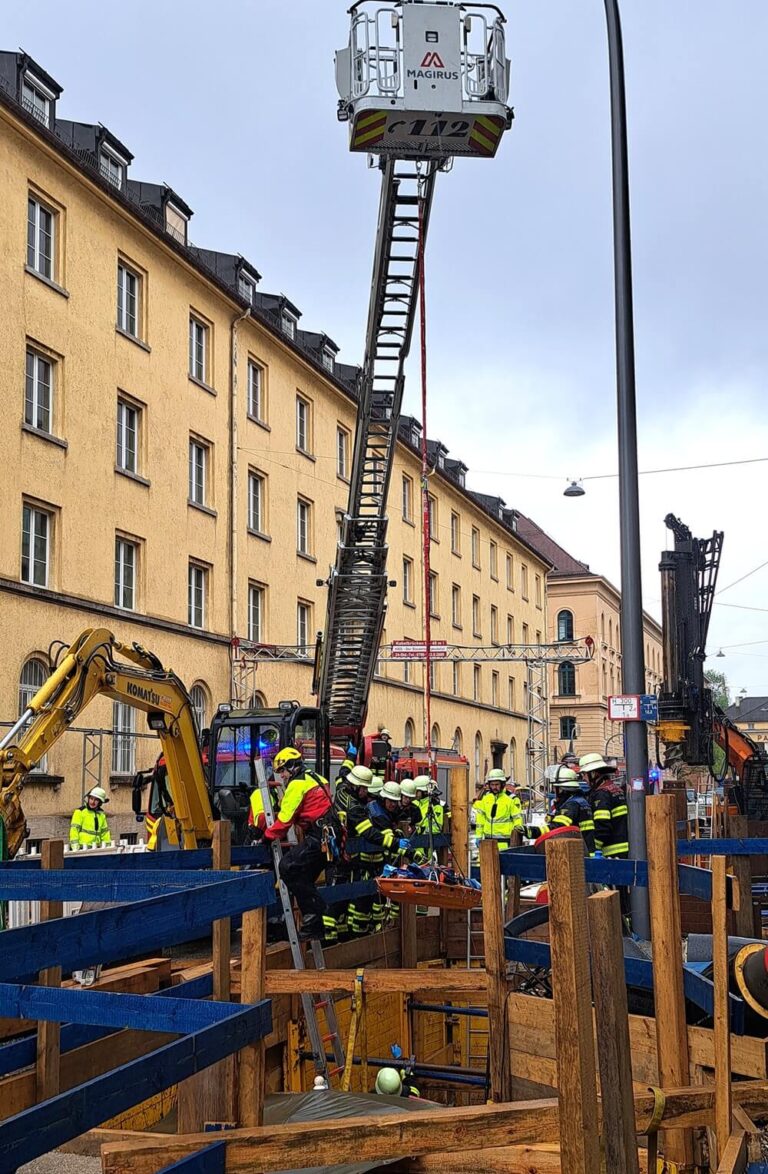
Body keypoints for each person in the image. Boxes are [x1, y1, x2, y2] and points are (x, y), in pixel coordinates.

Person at [257, 747, 340, 943]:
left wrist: (266, 837)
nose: (283, 776)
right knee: (303, 878)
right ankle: (314, 925)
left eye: (283, 771)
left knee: (287, 867)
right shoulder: (317, 778)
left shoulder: (297, 785)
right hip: (330, 837)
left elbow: (285, 820)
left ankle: (318, 912)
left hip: (319, 836)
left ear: (292, 767)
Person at [526, 766, 596, 853]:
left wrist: (532, 831)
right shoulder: (580, 801)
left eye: (555, 788)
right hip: (586, 852)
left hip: (579, 855)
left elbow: (558, 827)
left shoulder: (571, 805)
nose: (554, 792)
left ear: (562, 789)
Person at [579, 753, 628, 858]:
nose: (583, 778)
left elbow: (602, 826)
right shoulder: (615, 789)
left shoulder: (601, 794)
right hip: (623, 849)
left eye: (584, 774)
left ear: (593, 774)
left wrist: (592, 849)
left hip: (611, 853)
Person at [472, 769, 523, 848]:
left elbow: (517, 820)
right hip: (488, 841)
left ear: (502, 784)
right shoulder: (486, 798)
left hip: (505, 843)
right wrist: (478, 835)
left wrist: (516, 838)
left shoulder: (512, 799)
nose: (494, 787)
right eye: (492, 785)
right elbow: (480, 819)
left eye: (497, 784)